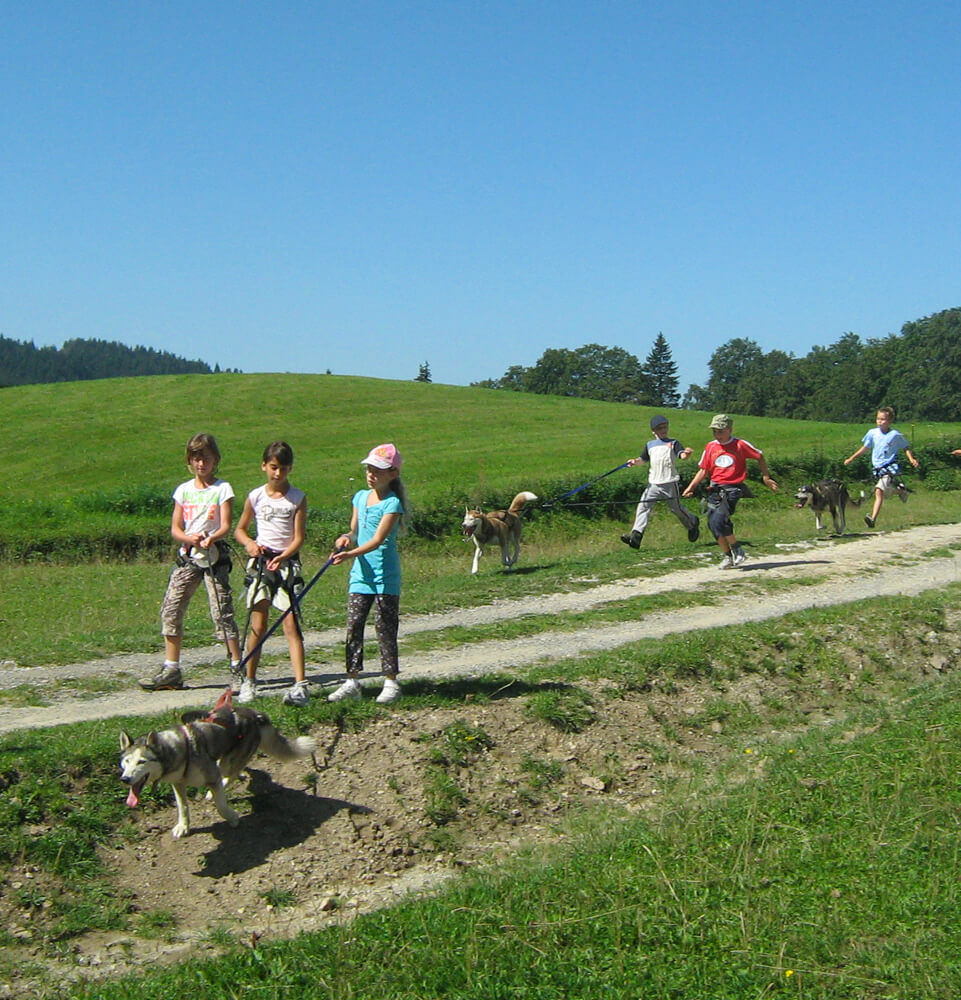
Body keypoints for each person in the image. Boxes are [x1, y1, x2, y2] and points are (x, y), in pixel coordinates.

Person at [140, 433, 242, 690]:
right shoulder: (183, 490)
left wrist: (212, 537)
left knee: (222, 612)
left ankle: (237, 666)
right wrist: (189, 538)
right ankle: (171, 668)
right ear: (189, 461)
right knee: (171, 608)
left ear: (215, 459)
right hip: (189, 557)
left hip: (214, 558)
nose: (201, 464)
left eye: (205, 459)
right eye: (196, 459)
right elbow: (176, 528)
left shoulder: (222, 489)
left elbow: (226, 525)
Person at [327, 443, 407, 705]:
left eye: (378, 470)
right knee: (354, 626)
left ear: (393, 473)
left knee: (385, 628)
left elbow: (377, 540)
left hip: (385, 577)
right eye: (369, 469)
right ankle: (352, 681)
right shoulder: (360, 498)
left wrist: (350, 554)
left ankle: (391, 681)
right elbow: (355, 531)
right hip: (361, 576)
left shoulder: (393, 504)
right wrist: (346, 538)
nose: (371, 474)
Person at [233, 441, 309, 706]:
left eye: (284, 469)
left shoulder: (297, 498)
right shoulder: (256, 496)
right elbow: (240, 529)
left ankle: (300, 684)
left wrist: (284, 556)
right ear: (264, 466)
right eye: (274, 467)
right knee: (258, 623)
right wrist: (249, 544)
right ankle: (249, 681)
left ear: (290, 469)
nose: (278, 473)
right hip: (262, 564)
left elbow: (299, 537)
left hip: (286, 565)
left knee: (290, 624)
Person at [682, 414, 778, 569]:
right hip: (714, 489)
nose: (717, 435)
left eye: (720, 431)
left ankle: (737, 549)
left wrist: (766, 477)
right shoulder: (711, 447)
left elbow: (759, 456)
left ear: (729, 430)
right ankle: (728, 556)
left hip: (732, 489)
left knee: (719, 520)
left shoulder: (740, 445)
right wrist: (691, 487)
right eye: (714, 431)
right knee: (713, 524)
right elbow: (704, 470)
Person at [620, 414, 700, 549]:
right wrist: (634, 461)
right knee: (643, 506)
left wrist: (686, 454)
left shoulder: (673, 443)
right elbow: (642, 460)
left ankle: (692, 522)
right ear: (653, 431)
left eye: (665, 427)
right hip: (653, 483)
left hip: (669, 482)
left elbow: (682, 455)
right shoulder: (649, 445)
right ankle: (636, 536)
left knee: (676, 509)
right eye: (659, 428)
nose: (663, 430)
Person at [843, 406, 919, 529]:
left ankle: (872, 519)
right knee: (885, 493)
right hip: (877, 469)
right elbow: (865, 448)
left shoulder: (895, 435)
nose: (880, 421)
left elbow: (905, 447)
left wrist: (911, 459)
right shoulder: (872, 433)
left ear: (890, 421)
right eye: (878, 418)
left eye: (883, 419)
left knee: (878, 491)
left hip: (890, 467)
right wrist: (852, 458)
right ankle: (901, 491)